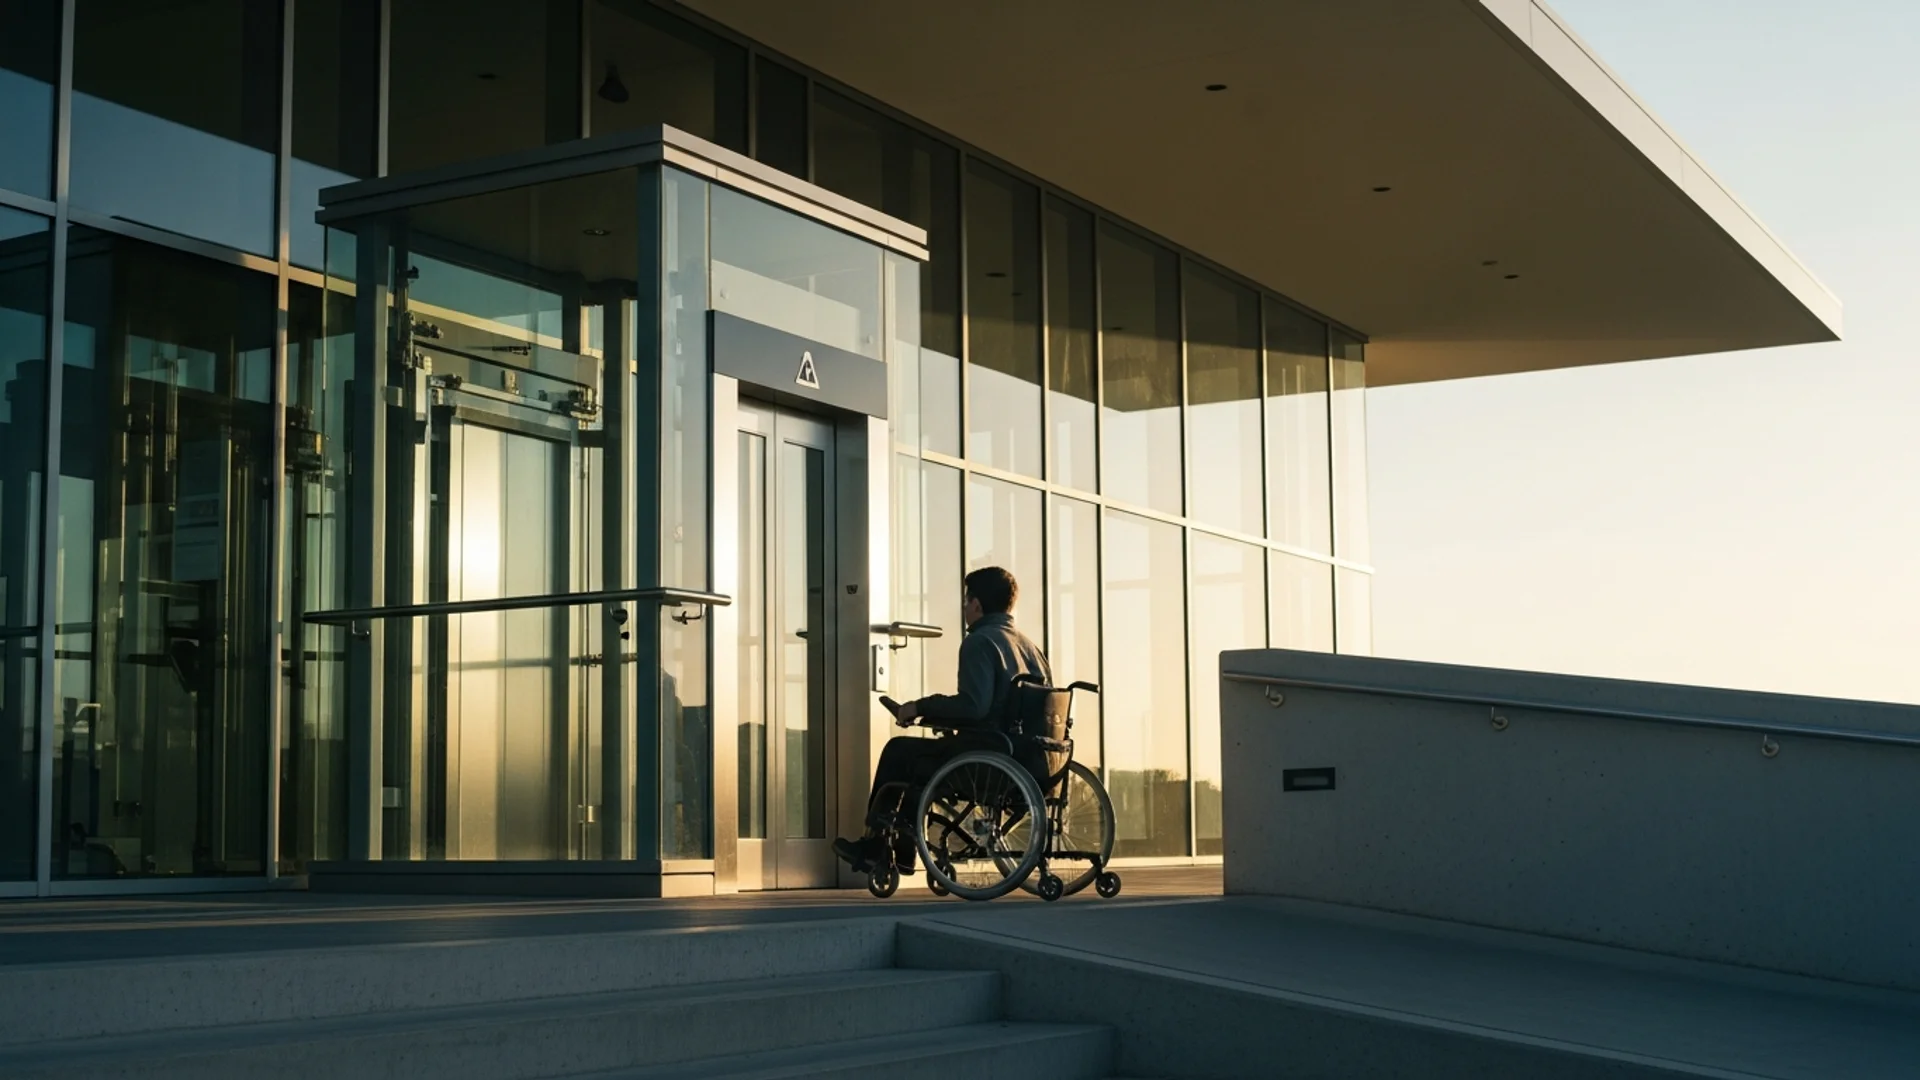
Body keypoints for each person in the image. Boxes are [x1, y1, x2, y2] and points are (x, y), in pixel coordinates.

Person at [832, 566, 1051, 871]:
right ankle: (903, 847)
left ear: (976, 604)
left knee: (899, 751)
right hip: (1030, 762)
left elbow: (974, 707)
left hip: (988, 760)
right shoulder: (1031, 649)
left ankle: (876, 845)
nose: (964, 609)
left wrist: (920, 707)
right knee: (923, 761)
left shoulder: (980, 641)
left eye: (965, 602)